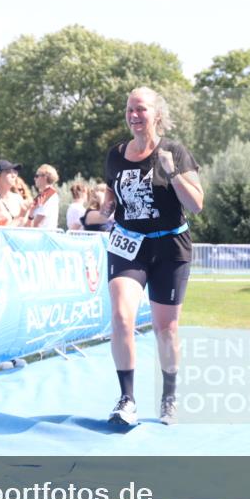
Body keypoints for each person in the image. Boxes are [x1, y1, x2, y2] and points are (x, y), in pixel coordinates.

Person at [104, 86, 203, 426]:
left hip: (170, 247)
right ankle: (127, 399)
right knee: (121, 316)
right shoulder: (115, 154)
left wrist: (172, 173)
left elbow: (196, 204)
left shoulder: (175, 152)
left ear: (156, 114)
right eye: (129, 109)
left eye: (141, 109)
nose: (134, 115)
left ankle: (169, 396)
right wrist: (108, 204)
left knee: (166, 328)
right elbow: (112, 188)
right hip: (128, 244)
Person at [0, 159, 30, 226]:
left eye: (15, 172)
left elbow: (27, 227)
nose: (14, 175)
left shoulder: (18, 198)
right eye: (8, 172)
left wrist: (32, 214)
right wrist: (20, 217)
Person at [29, 164, 60, 229]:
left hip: (42, 234)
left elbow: (37, 223)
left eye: (37, 176)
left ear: (45, 177)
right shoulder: (44, 194)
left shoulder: (49, 194)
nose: (34, 178)